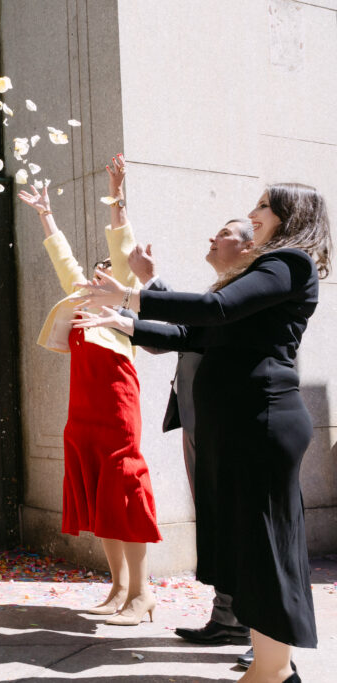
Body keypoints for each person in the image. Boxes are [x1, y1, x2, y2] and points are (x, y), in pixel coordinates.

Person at [74, 182, 331, 683]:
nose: (253, 213)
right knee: (248, 549)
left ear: (287, 214)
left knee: (264, 549)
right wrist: (128, 320)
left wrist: (132, 294)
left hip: (262, 422)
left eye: (262, 206)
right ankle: (268, 664)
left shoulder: (289, 264)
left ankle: (275, 671)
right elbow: (199, 335)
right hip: (241, 426)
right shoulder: (266, 269)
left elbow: (214, 312)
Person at [17, 154, 161, 627]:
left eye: (109, 270)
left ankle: (143, 595)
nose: (99, 272)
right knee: (100, 498)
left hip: (118, 409)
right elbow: (62, 257)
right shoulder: (81, 300)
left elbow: (122, 244)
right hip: (82, 414)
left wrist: (117, 193)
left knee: (122, 493)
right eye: (96, 269)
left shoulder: (120, 312)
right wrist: (45, 214)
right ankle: (118, 588)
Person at [127, 221, 258, 654]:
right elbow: (184, 331)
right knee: (217, 521)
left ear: (248, 246)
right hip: (200, 422)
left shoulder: (250, 294)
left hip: (231, 426)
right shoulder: (227, 291)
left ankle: (256, 631)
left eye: (223, 233)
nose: (210, 238)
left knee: (239, 524)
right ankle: (228, 618)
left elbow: (196, 320)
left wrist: (143, 290)